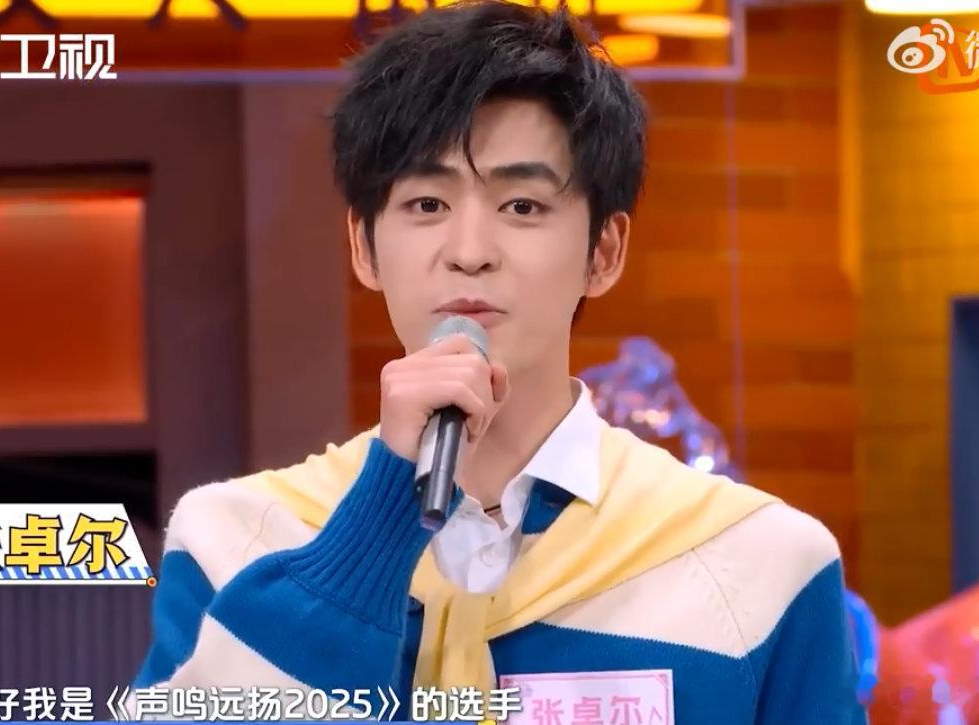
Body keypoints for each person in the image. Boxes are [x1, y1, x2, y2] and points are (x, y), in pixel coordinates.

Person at [132, 1, 866, 722]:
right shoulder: (235, 540)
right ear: (363, 246)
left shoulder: (760, 562)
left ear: (604, 253)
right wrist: (382, 511)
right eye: (426, 204)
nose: (469, 251)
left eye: (522, 206)